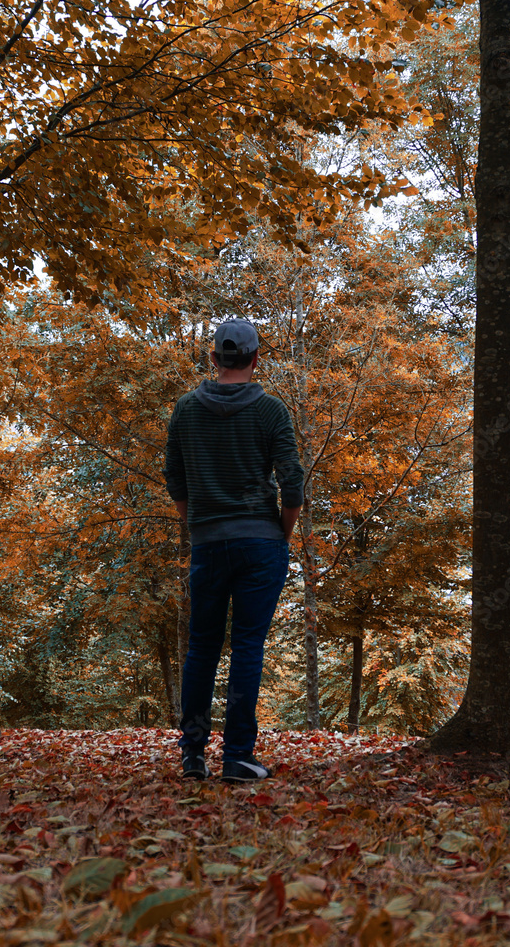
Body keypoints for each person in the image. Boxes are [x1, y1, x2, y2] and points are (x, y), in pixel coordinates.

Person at [163, 318, 304, 782]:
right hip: (261, 542)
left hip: (208, 542)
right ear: (255, 359)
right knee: (247, 646)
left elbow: (175, 477)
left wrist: (196, 523)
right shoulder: (271, 411)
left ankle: (192, 756)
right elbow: (292, 484)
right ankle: (239, 756)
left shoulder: (185, 409)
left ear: (213, 359)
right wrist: (281, 535)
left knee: (201, 646)